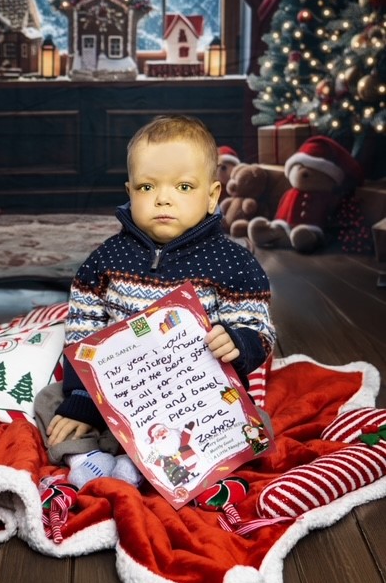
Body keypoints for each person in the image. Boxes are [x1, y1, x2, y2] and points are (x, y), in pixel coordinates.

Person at [34, 114, 276, 488]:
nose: (163, 198)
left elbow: (259, 330)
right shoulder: (107, 259)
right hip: (118, 390)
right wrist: (84, 397)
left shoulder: (233, 263)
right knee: (51, 398)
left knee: (254, 425)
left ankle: (141, 468)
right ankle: (87, 458)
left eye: (183, 186)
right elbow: (82, 330)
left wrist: (237, 341)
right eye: (147, 188)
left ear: (212, 196)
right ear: (130, 192)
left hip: (192, 393)